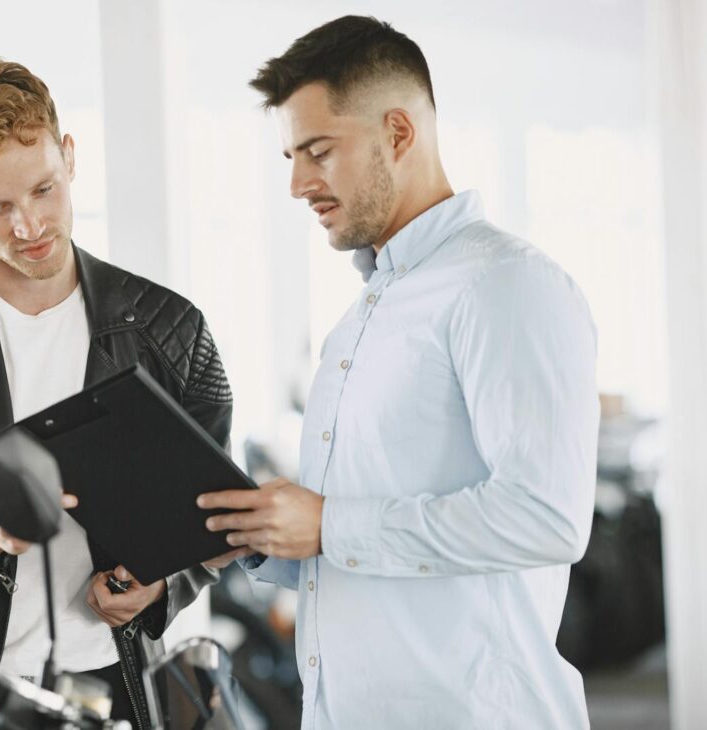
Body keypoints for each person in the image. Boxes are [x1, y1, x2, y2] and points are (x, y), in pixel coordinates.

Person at [198, 15, 598, 729]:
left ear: (399, 134)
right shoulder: (359, 317)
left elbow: (545, 517)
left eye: (317, 151)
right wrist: (266, 532)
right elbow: (359, 543)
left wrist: (329, 525)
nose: (296, 184)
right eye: (290, 156)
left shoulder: (504, 285)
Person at [0, 55, 232, 730]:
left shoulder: (172, 328)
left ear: (69, 157)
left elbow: (213, 516)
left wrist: (160, 583)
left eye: (43, 190)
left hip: (112, 687)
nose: (28, 227)